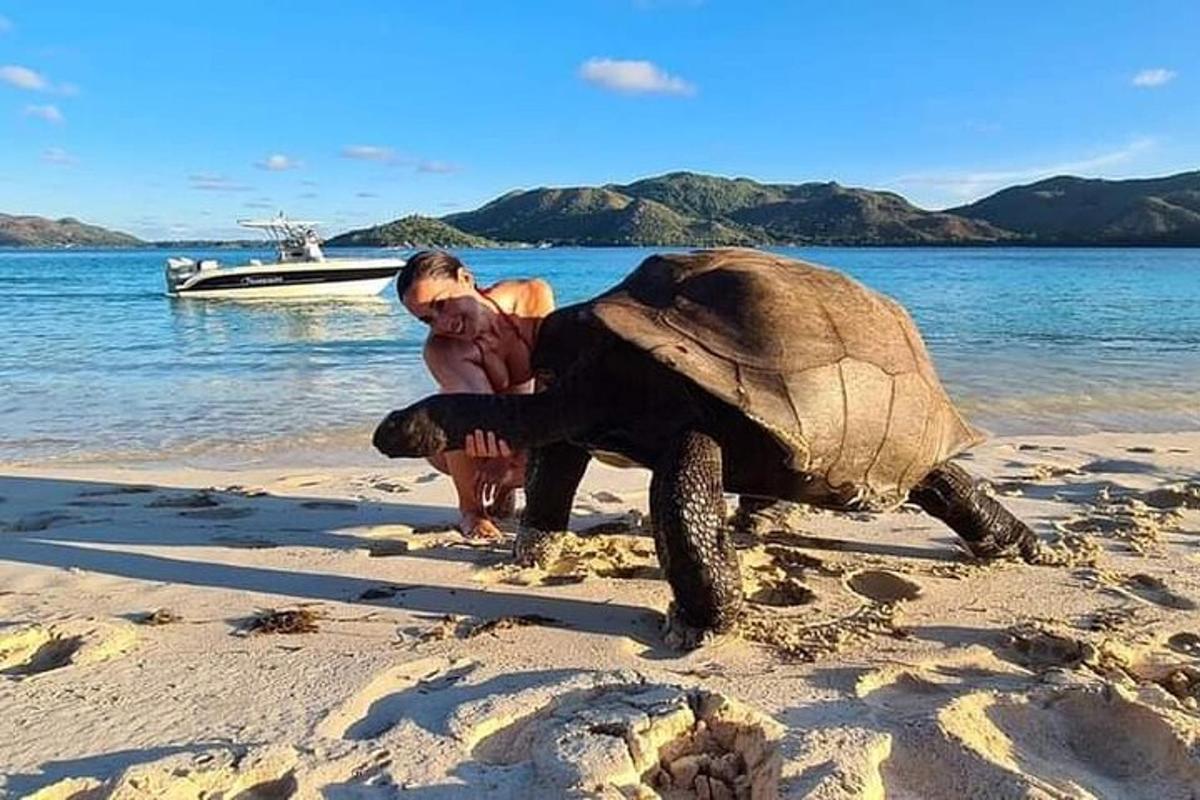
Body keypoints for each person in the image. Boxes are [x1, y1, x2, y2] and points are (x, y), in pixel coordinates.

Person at [397, 250, 554, 539]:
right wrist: (497, 458)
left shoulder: (532, 295)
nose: (443, 324)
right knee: (451, 411)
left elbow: (550, 374)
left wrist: (518, 454)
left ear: (465, 278)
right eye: (427, 320)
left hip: (526, 424)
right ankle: (471, 511)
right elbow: (481, 413)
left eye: (442, 304)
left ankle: (508, 486)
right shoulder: (441, 350)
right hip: (474, 442)